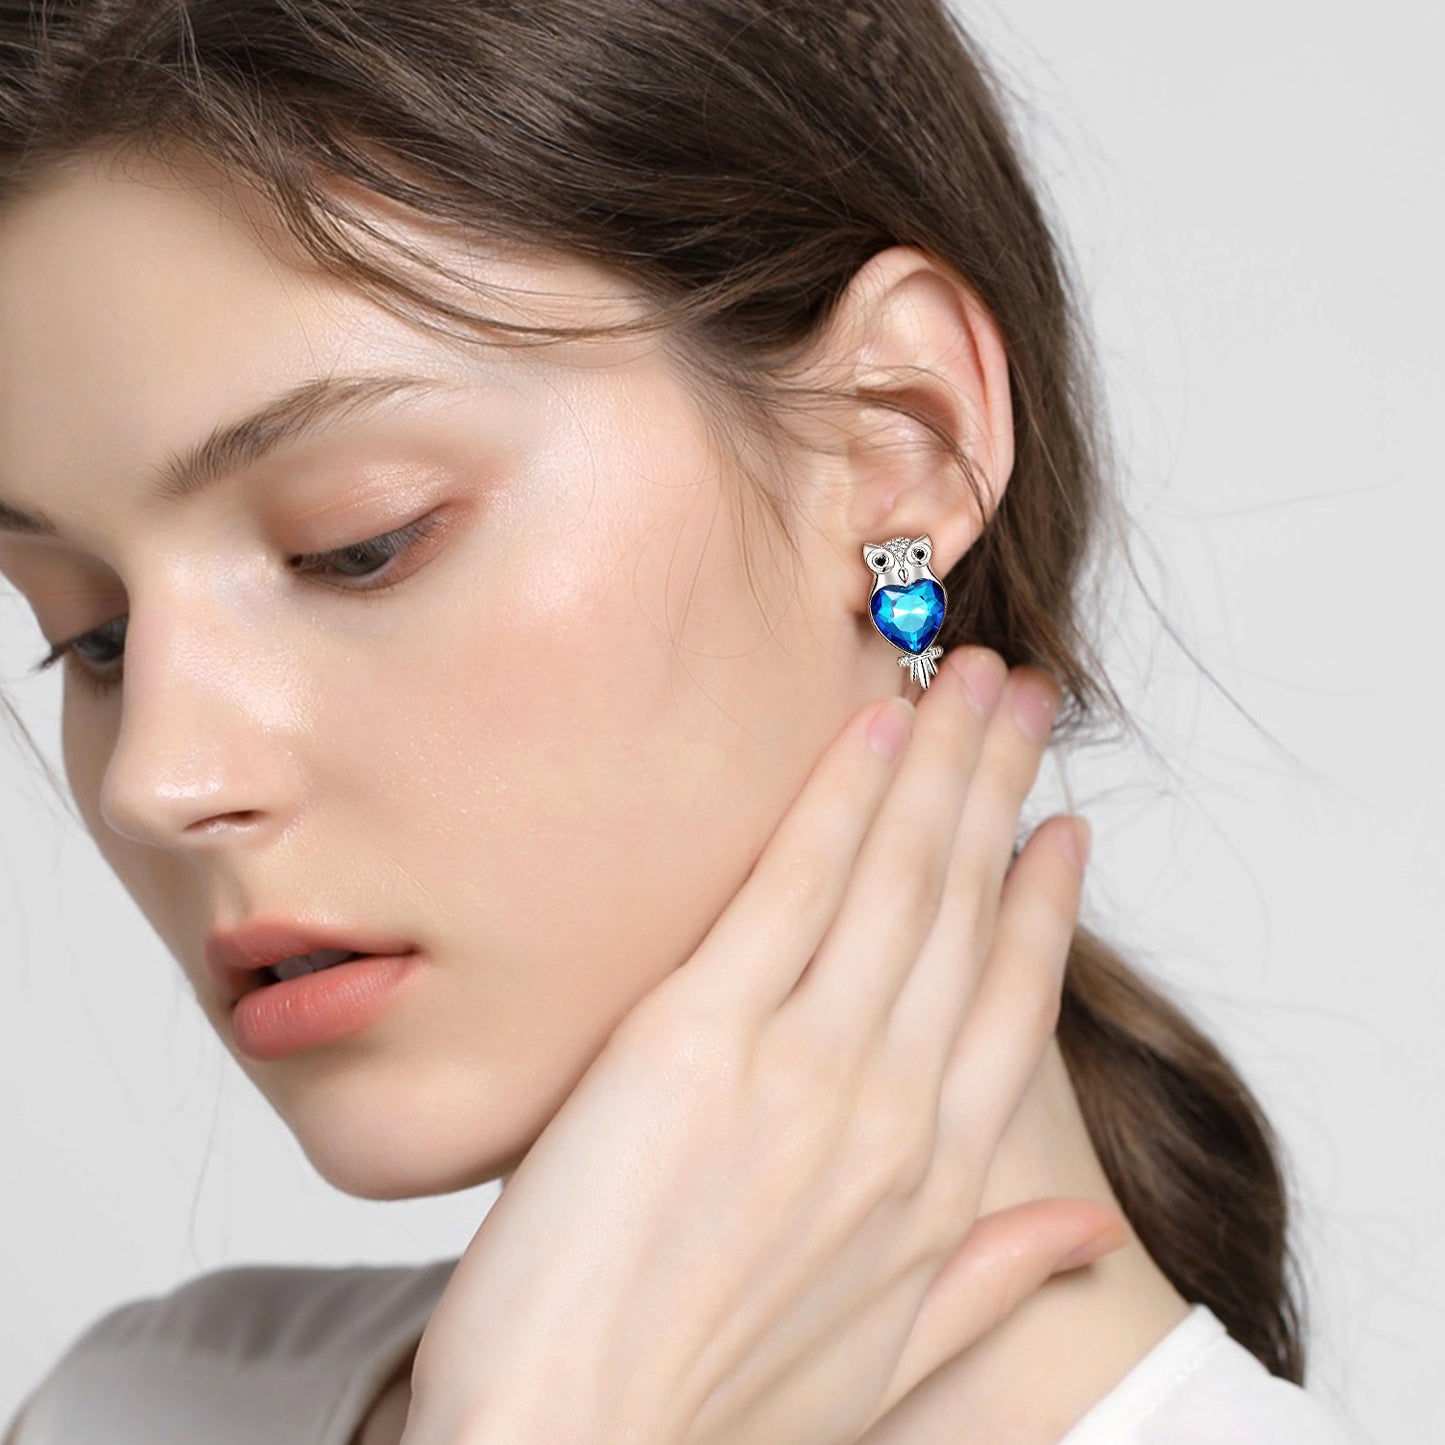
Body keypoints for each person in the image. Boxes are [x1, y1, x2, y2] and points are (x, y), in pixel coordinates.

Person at [0, 2, 1362, 1443]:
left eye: (360, 543)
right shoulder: (127, 1410)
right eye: (92, 632)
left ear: (898, 437)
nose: (157, 778)